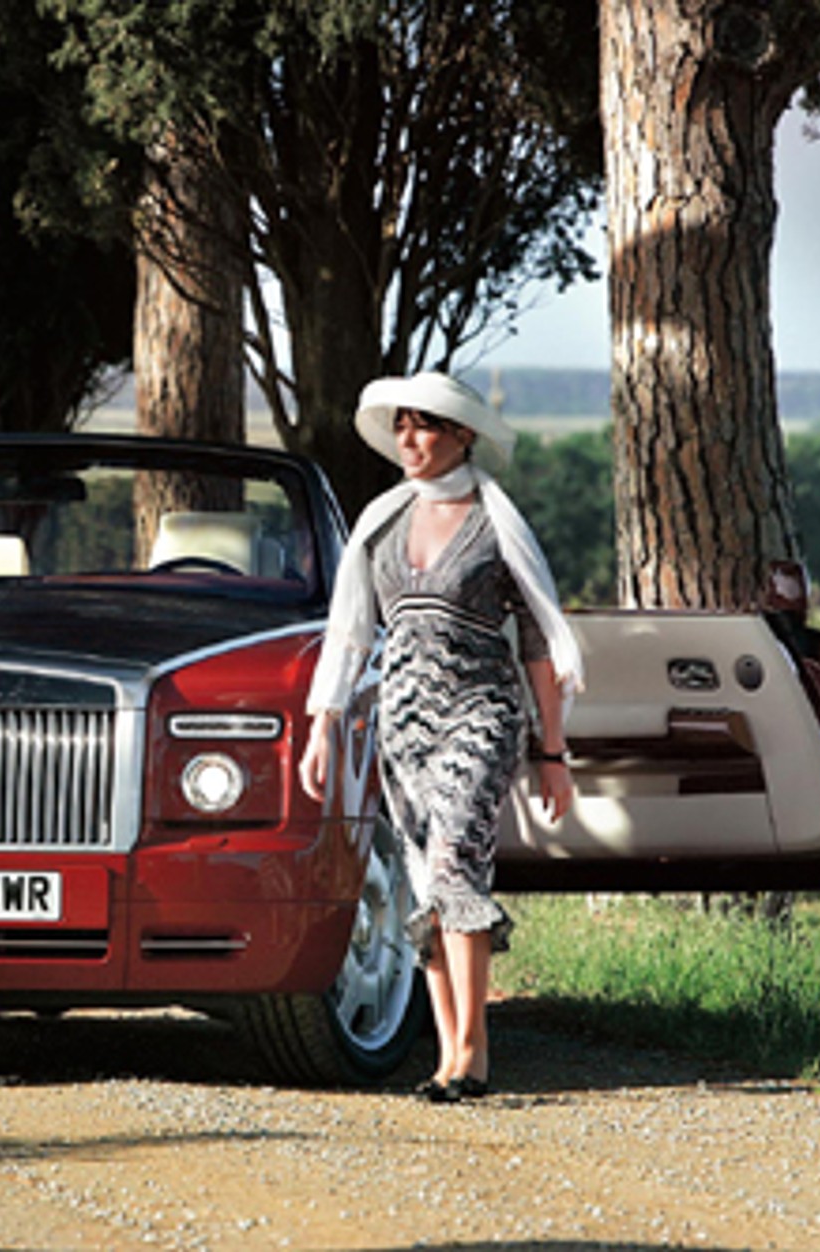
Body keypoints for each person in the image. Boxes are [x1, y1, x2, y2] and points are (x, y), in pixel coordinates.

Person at [299, 370, 581, 1103]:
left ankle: (473, 1051)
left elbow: (540, 644)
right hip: (403, 722)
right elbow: (350, 630)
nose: (410, 439)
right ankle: (447, 1057)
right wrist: (323, 725)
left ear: (462, 434)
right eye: (402, 426)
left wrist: (553, 754)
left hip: (481, 712)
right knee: (426, 874)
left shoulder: (497, 521)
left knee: (457, 855)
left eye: (425, 424)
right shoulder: (382, 520)